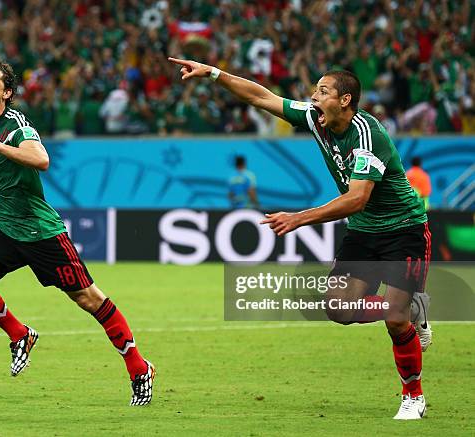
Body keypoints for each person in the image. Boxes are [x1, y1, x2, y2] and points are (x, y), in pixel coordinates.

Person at [169, 57, 432, 420]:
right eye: (314, 90)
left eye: (322, 91)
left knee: (395, 322)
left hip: (402, 229)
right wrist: (214, 73)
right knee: (339, 308)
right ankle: (411, 307)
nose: (313, 96)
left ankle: (413, 395)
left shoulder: (368, 134)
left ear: (345, 100)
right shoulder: (315, 118)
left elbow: (358, 198)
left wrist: (298, 218)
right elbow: (261, 97)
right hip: (363, 232)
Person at [0, 60, 154, 406]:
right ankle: (20, 335)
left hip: (41, 232)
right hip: (9, 230)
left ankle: (139, 368)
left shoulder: (15, 126)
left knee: (89, 299)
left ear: (7, 92)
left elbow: (39, 158)